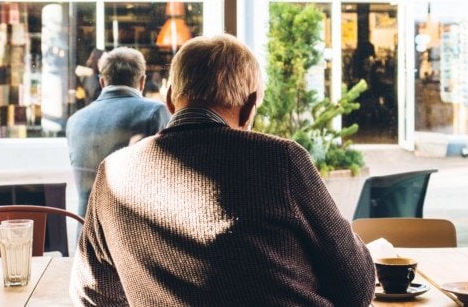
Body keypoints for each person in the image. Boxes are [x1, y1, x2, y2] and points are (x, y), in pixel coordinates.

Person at [70, 34, 375, 306]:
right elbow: (357, 289)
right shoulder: (280, 160)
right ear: (250, 106)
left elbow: (92, 294)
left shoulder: (113, 174)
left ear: (170, 100)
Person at [65, 47, 170, 217]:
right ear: (142, 82)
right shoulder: (155, 112)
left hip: (85, 232)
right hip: (131, 232)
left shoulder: (75, 120)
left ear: (101, 82)